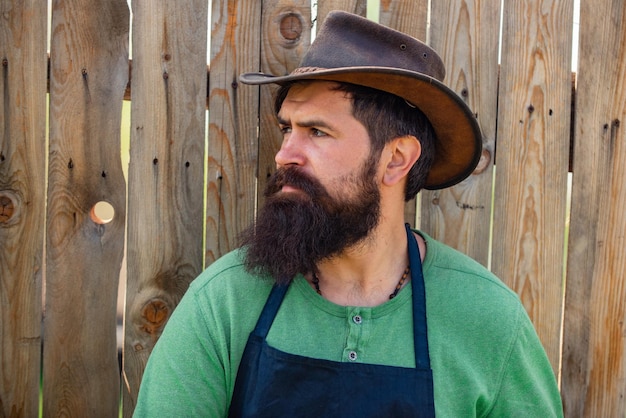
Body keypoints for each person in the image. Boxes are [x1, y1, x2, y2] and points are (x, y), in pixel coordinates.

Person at [134, 10, 563, 417]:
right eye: (288, 129)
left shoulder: (488, 320)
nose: (286, 154)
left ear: (396, 160)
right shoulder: (224, 303)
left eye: (317, 132)